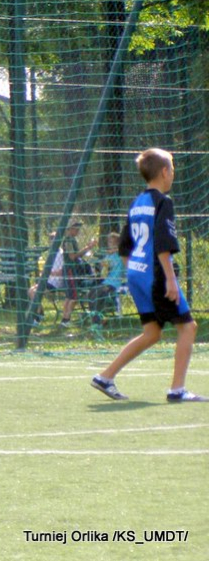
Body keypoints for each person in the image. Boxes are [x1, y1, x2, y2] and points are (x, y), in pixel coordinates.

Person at [91, 148, 206, 402]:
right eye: (172, 169)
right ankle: (177, 390)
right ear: (164, 172)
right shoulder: (163, 202)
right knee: (188, 327)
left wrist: (134, 270)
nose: (173, 174)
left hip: (136, 274)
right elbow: (164, 244)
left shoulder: (137, 203)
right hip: (156, 275)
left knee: (152, 332)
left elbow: (124, 246)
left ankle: (105, 377)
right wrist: (171, 279)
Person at [60, 219, 97, 327]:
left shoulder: (72, 240)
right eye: (76, 228)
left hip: (73, 270)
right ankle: (66, 320)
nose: (78, 231)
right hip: (71, 270)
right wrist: (88, 248)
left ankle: (64, 320)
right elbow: (72, 257)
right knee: (73, 297)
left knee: (69, 296)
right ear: (70, 229)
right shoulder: (68, 240)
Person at [87, 232, 125, 326]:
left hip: (115, 283)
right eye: (109, 242)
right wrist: (102, 264)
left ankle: (97, 322)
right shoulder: (108, 255)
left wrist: (115, 250)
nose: (111, 245)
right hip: (106, 281)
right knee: (91, 292)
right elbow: (103, 267)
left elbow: (125, 250)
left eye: (113, 242)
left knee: (98, 293)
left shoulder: (121, 254)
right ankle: (98, 319)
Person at [28, 231, 65, 326]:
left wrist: (49, 273)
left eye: (54, 239)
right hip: (48, 281)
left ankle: (37, 318)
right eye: (51, 239)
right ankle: (40, 313)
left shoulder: (62, 254)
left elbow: (63, 271)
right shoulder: (51, 253)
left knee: (35, 292)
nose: (52, 241)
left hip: (55, 282)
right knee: (31, 290)